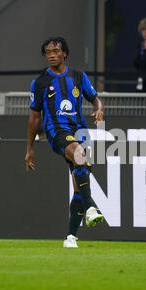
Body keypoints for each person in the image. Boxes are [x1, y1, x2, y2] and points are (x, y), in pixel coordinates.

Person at [25, 37, 105, 248]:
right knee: (79, 155)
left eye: (55, 51)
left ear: (64, 54)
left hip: (80, 131)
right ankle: (91, 207)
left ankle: (70, 237)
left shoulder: (78, 76)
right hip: (56, 131)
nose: (51, 55)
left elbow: (94, 97)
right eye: (48, 52)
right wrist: (30, 148)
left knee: (79, 184)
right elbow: (34, 117)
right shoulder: (40, 82)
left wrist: (98, 108)